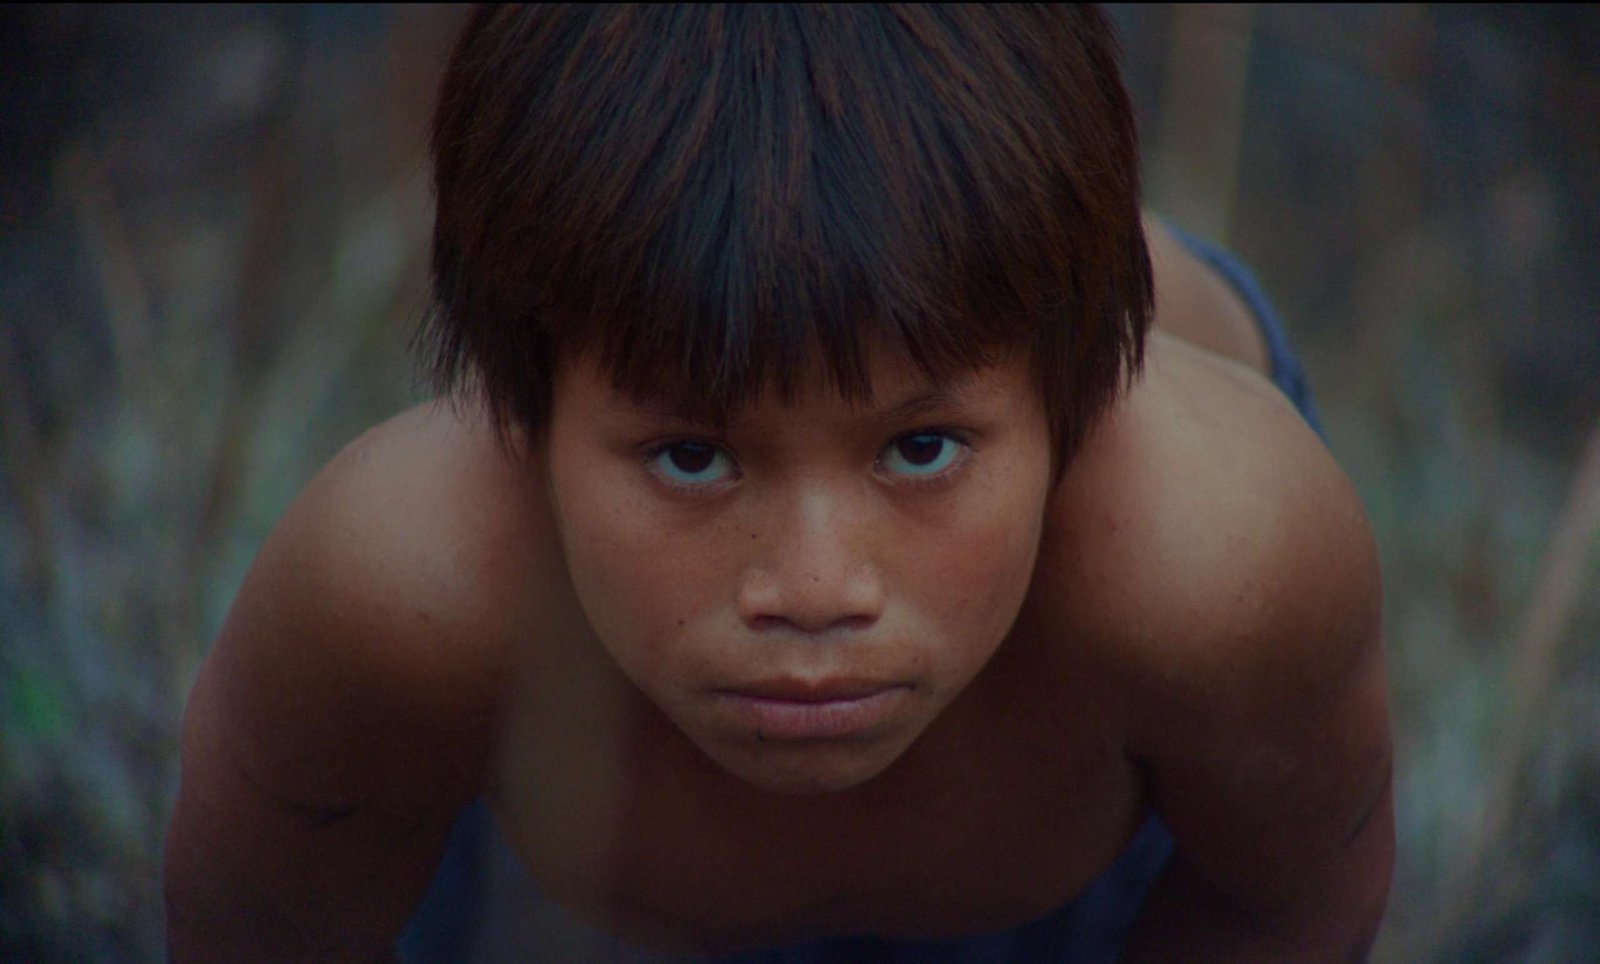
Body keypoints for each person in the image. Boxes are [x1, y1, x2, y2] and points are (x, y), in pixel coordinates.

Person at [164, 5, 1393, 961]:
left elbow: (1286, 903)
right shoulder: (405, 600)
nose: (814, 588)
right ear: (523, 414)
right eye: (693, 457)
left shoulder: (1211, 565)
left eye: (920, 450)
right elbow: (260, 932)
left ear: (1074, 416)